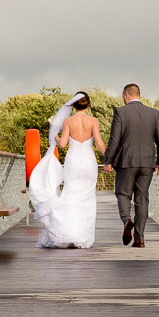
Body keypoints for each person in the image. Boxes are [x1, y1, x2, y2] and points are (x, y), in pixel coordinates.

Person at [28, 92, 106, 249]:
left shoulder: (68, 121)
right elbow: (99, 143)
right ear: (88, 105)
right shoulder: (93, 121)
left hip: (73, 162)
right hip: (89, 162)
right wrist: (109, 160)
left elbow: (62, 144)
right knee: (87, 197)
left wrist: (54, 134)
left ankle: (67, 232)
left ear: (73, 106)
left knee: (70, 195)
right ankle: (83, 236)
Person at [103, 83, 159, 248]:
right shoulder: (153, 113)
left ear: (126, 96)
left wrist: (108, 161)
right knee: (142, 199)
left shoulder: (120, 112)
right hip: (147, 163)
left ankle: (127, 220)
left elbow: (114, 139)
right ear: (138, 95)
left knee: (123, 194)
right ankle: (139, 238)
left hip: (126, 162)